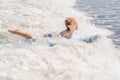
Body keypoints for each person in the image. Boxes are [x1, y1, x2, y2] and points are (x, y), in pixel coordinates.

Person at [8, 18, 78, 39]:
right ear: (69, 26)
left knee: (32, 37)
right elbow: (58, 37)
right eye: (74, 23)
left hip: (51, 35)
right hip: (49, 36)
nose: (76, 24)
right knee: (31, 38)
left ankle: (18, 31)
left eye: (76, 23)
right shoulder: (67, 32)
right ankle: (16, 32)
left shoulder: (72, 30)